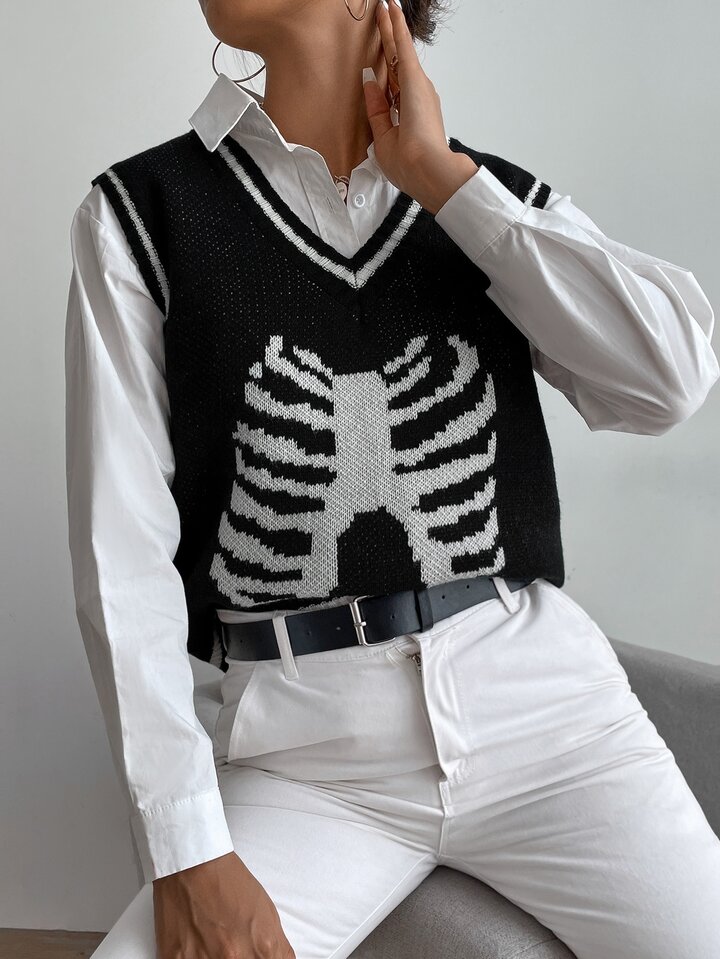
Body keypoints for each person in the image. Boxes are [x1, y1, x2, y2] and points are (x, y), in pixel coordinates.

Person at [64, 0, 720, 956]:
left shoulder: (484, 200)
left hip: (547, 716)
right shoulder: (138, 216)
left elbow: (668, 380)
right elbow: (121, 561)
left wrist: (446, 183)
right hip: (305, 753)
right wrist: (185, 850)